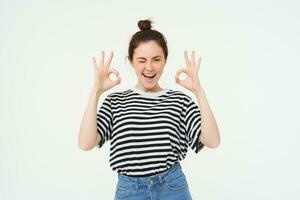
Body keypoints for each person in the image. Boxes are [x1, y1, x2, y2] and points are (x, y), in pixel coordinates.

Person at [78, 18, 220, 200]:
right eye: (142, 60)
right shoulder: (115, 101)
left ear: (165, 61)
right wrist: (95, 92)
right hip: (130, 191)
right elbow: (85, 143)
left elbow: (212, 141)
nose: (149, 67)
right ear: (131, 61)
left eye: (156, 59)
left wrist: (199, 92)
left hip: (172, 187)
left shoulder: (179, 100)